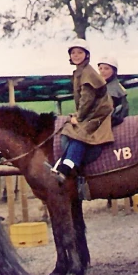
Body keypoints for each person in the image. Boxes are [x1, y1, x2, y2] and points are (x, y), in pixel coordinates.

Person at [50, 39, 115, 184]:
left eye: (80, 52)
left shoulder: (88, 73)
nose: (76, 55)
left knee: (81, 132)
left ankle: (68, 167)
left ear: (86, 55)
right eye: (73, 53)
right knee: (68, 128)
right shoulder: (80, 71)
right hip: (91, 111)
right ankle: (63, 160)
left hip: (98, 112)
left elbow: (87, 99)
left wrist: (78, 117)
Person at [97, 54, 129, 127]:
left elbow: (120, 112)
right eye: (100, 68)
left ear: (114, 71)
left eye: (106, 68)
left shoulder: (116, 89)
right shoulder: (98, 87)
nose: (102, 71)